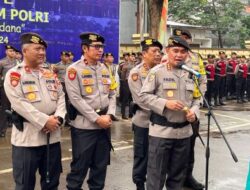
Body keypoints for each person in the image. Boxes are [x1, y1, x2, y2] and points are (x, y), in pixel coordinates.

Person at [4, 32, 66, 189]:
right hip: (27, 140)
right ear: (24, 51)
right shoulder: (15, 74)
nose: (42, 52)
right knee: (25, 185)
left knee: (51, 183)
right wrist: (45, 121)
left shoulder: (49, 73)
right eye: (37, 49)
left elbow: (61, 97)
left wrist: (58, 118)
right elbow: (19, 103)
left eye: (43, 49)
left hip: (52, 139)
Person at [140, 36, 200, 190]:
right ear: (167, 51)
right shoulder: (157, 72)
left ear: (187, 54)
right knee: (156, 177)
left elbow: (196, 99)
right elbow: (144, 96)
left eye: (183, 51)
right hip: (162, 134)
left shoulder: (191, 74)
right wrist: (166, 103)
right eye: (175, 51)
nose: (179, 55)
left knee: (177, 178)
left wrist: (193, 112)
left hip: (184, 134)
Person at [65, 32, 116, 190]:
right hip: (84, 128)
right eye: (96, 47)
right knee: (79, 167)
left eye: (101, 47)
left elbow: (113, 93)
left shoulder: (105, 68)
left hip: (104, 125)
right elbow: (76, 99)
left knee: (100, 167)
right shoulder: (74, 70)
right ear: (85, 48)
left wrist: (110, 114)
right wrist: (96, 118)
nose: (100, 50)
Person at [173, 28, 206, 190]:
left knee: (189, 147)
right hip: (174, 109)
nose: (183, 41)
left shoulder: (196, 58)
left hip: (192, 109)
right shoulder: (168, 57)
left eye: (186, 38)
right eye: (179, 38)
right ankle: (174, 180)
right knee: (173, 149)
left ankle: (187, 177)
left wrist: (197, 104)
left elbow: (203, 80)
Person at [128, 38, 162, 190]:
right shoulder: (136, 73)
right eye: (154, 51)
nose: (158, 54)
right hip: (144, 122)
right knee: (142, 155)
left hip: (161, 123)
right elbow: (141, 100)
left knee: (157, 156)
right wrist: (164, 108)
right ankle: (139, 184)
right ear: (144, 54)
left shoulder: (163, 70)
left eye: (159, 51)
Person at [0, 44, 17, 137]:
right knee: (5, 109)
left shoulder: (18, 62)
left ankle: (19, 128)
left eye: (14, 51)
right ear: (6, 52)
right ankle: (2, 130)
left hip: (16, 89)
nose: (12, 53)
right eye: (10, 51)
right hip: (5, 88)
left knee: (18, 108)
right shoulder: (2, 62)